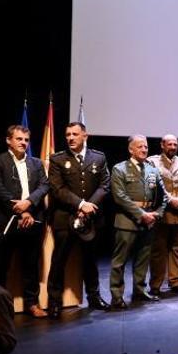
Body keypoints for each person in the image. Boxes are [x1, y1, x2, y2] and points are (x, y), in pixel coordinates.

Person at [46, 122, 110, 318]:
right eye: (67, 135)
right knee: (59, 261)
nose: (70, 138)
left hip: (91, 219)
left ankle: (94, 296)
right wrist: (81, 205)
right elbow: (57, 189)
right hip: (65, 218)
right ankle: (54, 302)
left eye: (75, 134)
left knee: (90, 260)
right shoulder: (58, 159)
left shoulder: (98, 157)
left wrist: (89, 206)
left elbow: (104, 185)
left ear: (85, 136)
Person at [0, 125, 50, 318]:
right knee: (0, 267)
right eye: (19, 139)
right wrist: (21, 211)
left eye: (26, 140)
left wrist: (28, 203)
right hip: (7, 221)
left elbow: (45, 185)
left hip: (33, 221)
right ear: (8, 140)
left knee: (31, 266)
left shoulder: (37, 163)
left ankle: (32, 304)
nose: (23, 143)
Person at [109, 135, 167, 309]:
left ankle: (140, 291)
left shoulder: (152, 170)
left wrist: (157, 214)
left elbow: (164, 197)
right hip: (127, 220)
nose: (144, 150)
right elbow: (120, 197)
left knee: (143, 259)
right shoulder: (119, 169)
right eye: (140, 147)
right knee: (120, 261)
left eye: (146, 147)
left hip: (149, 221)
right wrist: (141, 214)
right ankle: (117, 296)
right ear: (131, 149)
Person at [147, 134, 178, 295]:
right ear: (162, 145)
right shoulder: (152, 161)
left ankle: (176, 281)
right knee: (158, 251)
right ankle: (156, 284)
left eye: (175, 144)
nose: (173, 147)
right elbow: (152, 185)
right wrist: (170, 199)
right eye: (169, 144)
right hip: (162, 212)